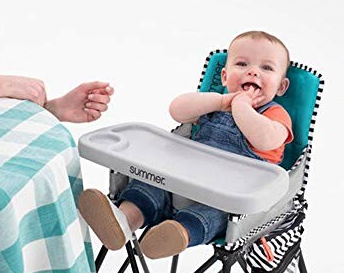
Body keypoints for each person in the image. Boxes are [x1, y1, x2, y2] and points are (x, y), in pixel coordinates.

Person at [78, 31, 293, 259]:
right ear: (224, 76)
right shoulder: (213, 103)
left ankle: (175, 235)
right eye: (242, 64)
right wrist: (222, 101)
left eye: (267, 68)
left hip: (225, 197)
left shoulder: (275, 115)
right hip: (180, 181)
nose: (253, 71)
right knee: (149, 182)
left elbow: (265, 139)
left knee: (217, 215)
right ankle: (122, 223)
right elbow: (177, 110)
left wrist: (242, 107)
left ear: (281, 87)